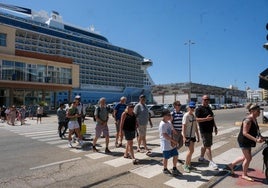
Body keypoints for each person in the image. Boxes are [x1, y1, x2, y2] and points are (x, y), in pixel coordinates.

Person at [227, 103, 264, 182]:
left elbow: (256, 130)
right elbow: (245, 133)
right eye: (258, 111)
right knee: (248, 158)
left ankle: (231, 165)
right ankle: (244, 174)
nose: (259, 112)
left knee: (245, 157)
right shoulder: (248, 120)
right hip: (244, 140)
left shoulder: (254, 118)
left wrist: (260, 136)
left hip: (248, 140)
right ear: (252, 111)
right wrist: (256, 140)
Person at [195, 95, 218, 169]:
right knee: (208, 146)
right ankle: (211, 161)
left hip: (210, 129)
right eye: (205, 99)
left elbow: (212, 118)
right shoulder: (199, 109)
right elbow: (197, 119)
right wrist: (206, 119)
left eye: (208, 99)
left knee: (205, 145)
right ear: (202, 100)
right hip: (204, 130)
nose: (207, 101)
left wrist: (215, 127)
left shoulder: (209, 108)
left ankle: (201, 158)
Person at [159, 109, 182, 176]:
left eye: (170, 114)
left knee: (176, 155)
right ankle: (165, 169)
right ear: (164, 116)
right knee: (166, 157)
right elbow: (165, 135)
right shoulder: (162, 124)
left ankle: (174, 168)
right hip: (165, 143)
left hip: (171, 142)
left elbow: (172, 131)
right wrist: (173, 141)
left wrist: (173, 137)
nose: (170, 116)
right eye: (168, 115)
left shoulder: (168, 122)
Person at [182, 101, 200, 173]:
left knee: (191, 151)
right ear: (188, 107)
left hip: (192, 136)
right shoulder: (186, 116)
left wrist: (198, 135)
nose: (192, 109)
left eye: (193, 107)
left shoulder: (193, 116)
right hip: (187, 136)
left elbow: (195, 126)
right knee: (190, 151)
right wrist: (184, 137)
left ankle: (188, 164)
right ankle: (186, 165)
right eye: (191, 107)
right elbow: (183, 126)